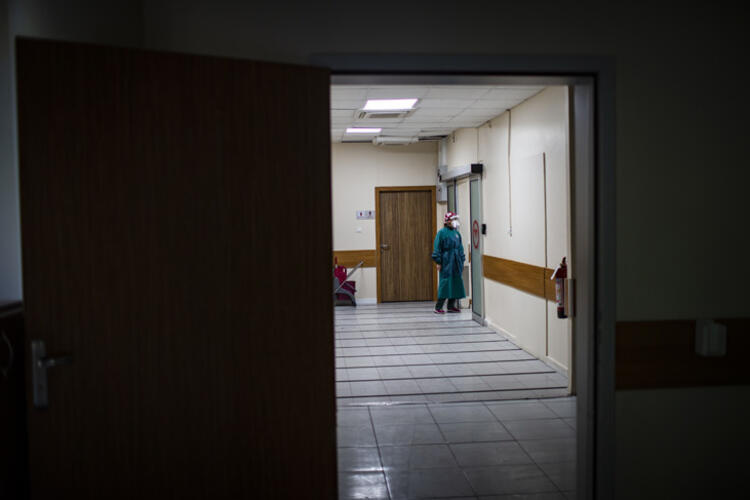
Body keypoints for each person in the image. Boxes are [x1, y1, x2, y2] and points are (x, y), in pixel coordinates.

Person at [431, 212, 466, 314]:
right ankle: (438, 307)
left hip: (456, 261)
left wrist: (461, 260)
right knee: (445, 283)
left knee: (455, 282)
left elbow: (460, 248)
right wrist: (438, 261)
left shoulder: (457, 234)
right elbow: (437, 247)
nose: (454, 221)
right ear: (447, 221)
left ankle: (451, 306)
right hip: (446, 261)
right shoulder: (441, 233)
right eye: (453, 219)